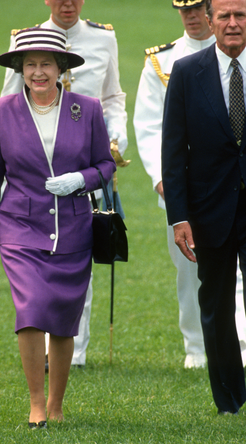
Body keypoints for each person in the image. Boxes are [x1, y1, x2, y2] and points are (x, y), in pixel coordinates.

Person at [0, 27, 116, 427]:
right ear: (20, 69)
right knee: (32, 310)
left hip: (73, 228)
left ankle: (56, 406)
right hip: (20, 226)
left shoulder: (86, 108)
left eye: (46, 64)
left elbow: (105, 165)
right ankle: (36, 403)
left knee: (62, 318)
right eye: (30, 65)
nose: (38, 72)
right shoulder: (1, 110)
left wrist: (81, 180)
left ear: (61, 69)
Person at [0, 0, 128, 368]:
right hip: (35, 166)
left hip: (87, 157)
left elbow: (113, 95)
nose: (67, 4)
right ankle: (46, 344)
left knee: (79, 254)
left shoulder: (104, 38)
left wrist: (116, 137)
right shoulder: (23, 40)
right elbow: (10, 101)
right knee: (38, 261)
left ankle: (76, 350)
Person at [134, 0, 246, 369]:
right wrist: (163, 181)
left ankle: (240, 342)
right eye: (185, 10)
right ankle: (196, 346)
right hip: (192, 191)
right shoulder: (167, 63)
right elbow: (154, 129)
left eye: (198, 7)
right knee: (194, 273)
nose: (192, 16)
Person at [162, 0, 246, 414]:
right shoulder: (185, 73)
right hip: (210, 212)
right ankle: (229, 399)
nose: (233, 24)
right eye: (225, 16)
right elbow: (173, 151)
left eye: (241, 15)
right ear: (211, 21)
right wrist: (179, 216)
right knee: (215, 307)